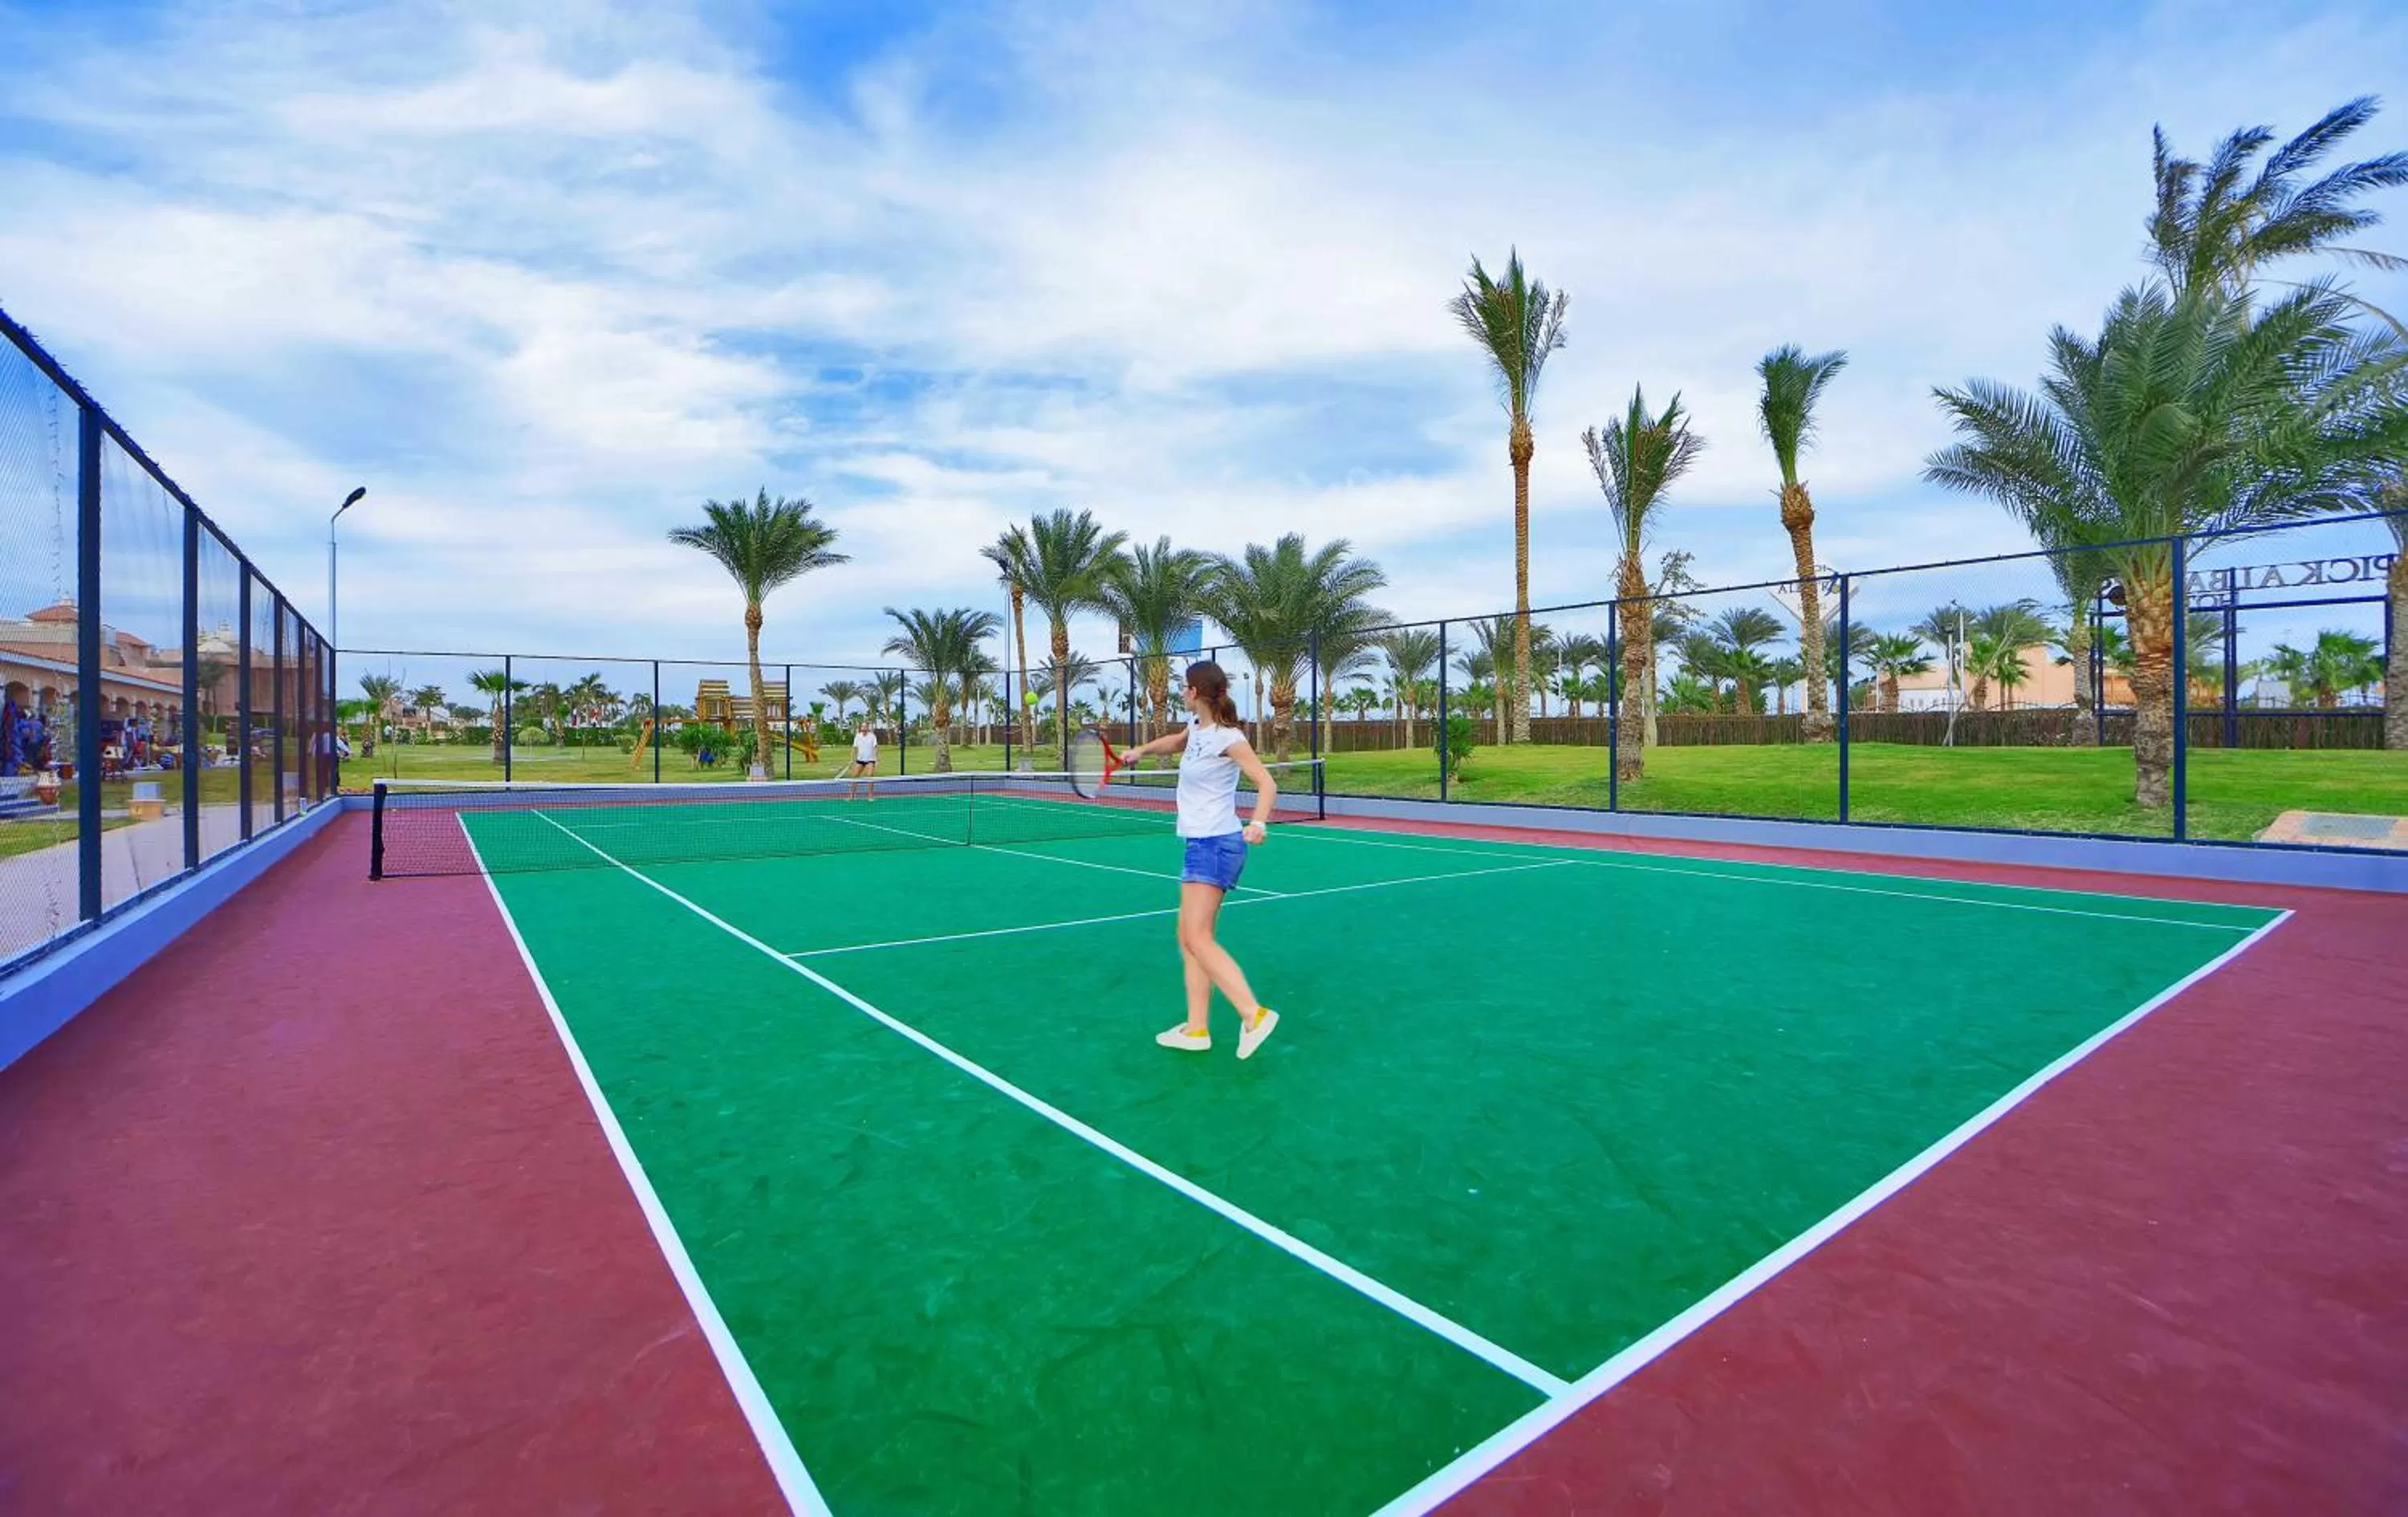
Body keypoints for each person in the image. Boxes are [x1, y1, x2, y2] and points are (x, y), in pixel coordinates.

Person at [1116, 660, 1281, 1059]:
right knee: (1187, 937)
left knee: (1197, 938)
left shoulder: (1230, 738)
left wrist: (1258, 822)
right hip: (1200, 843)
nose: (1181, 693)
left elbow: (1266, 781)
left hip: (1217, 843)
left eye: (1183, 688)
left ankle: (1253, 1014)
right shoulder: (1197, 730)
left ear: (1194, 692)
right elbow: (1175, 741)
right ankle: (1196, 1029)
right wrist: (1139, 750)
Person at [844, 717, 879, 799]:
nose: (864, 728)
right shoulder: (857, 736)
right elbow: (855, 748)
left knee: (870, 776)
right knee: (854, 777)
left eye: (865, 727)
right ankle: (852, 795)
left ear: (868, 728)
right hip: (860, 760)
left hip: (870, 760)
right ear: (861, 728)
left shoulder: (872, 736)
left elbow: (876, 748)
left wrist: (877, 759)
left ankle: (870, 796)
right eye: (862, 727)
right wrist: (852, 759)